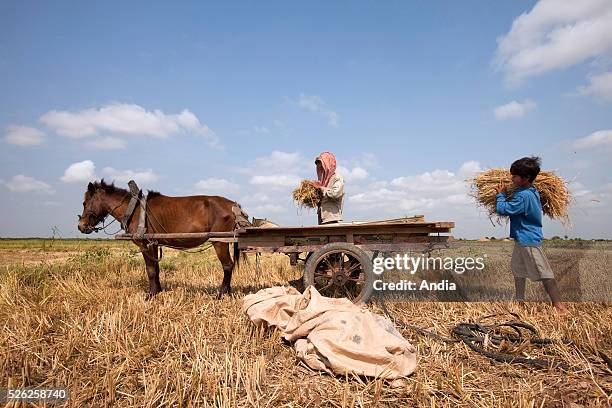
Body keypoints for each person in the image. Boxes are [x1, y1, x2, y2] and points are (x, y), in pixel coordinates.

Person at [495, 156, 566, 312]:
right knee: (518, 270)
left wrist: (500, 195)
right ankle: (519, 302)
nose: (511, 178)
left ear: (526, 178)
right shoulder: (530, 191)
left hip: (528, 239)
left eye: (514, 176)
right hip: (521, 239)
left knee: (544, 272)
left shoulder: (523, 196)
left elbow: (503, 209)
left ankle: (559, 305)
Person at [313, 152, 344, 225]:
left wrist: (321, 188)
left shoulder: (337, 178)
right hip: (322, 220)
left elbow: (335, 194)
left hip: (332, 220)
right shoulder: (323, 182)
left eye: (322, 166)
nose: (320, 169)